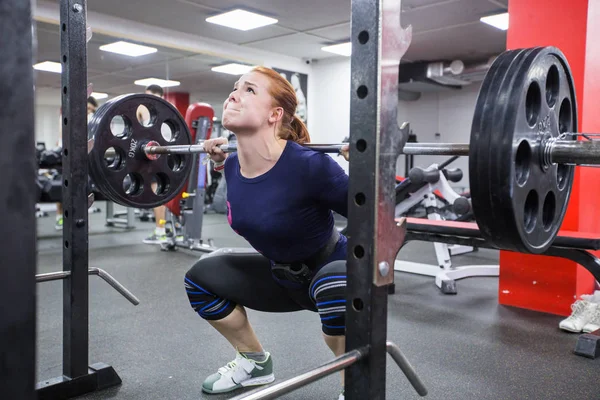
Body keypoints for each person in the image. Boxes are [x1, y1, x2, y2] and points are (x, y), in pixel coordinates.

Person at [184, 66, 350, 399]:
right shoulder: (231, 165)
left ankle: (357, 384)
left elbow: (375, 217)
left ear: (275, 114)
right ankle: (254, 363)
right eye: (234, 87)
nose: (234, 93)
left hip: (335, 273)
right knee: (201, 279)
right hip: (282, 277)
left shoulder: (310, 165)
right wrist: (218, 162)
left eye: (249, 90)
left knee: (333, 285)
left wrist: (367, 170)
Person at [55, 96, 98, 230]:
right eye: (88, 108)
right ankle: (59, 217)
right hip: (65, 155)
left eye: (92, 109)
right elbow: (64, 135)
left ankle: (81, 218)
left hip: (83, 157)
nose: (90, 111)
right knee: (61, 187)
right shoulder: (69, 116)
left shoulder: (91, 120)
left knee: (82, 188)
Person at [139, 84, 170, 244]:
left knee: (157, 194)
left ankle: (160, 231)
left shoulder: (150, 110)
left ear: (159, 96)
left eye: (149, 95)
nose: (147, 99)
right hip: (164, 155)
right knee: (163, 193)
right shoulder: (167, 110)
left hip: (157, 155)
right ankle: (166, 228)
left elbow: (143, 128)